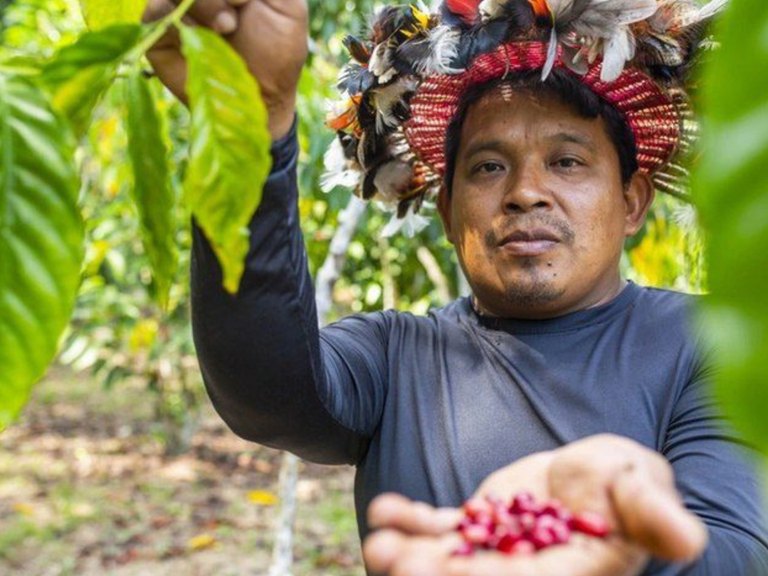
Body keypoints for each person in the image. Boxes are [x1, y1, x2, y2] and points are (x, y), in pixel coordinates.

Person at [144, 0, 768, 574]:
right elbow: (265, 388)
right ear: (447, 211)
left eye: (567, 162)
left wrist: (621, 534)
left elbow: (736, 548)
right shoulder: (393, 356)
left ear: (632, 202)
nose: (525, 192)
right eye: (489, 167)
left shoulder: (706, 344)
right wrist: (249, 128)